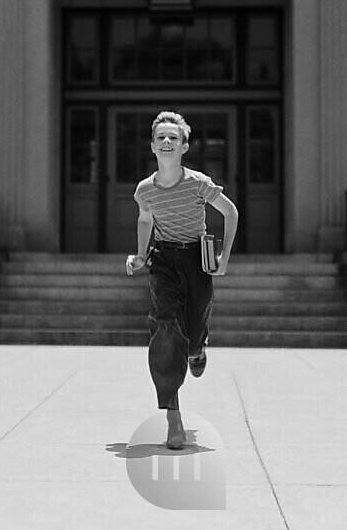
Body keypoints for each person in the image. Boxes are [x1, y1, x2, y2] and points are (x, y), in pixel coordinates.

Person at [126, 111, 238, 449]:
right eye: (160, 137)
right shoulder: (145, 190)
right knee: (165, 325)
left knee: (192, 329)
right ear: (152, 146)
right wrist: (141, 255)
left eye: (173, 138)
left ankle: (197, 348)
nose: (166, 142)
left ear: (184, 146)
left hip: (196, 259)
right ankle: (173, 418)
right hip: (163, 260)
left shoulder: (199, 183)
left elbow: (230, 212)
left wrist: (224, 259)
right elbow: (145, 222)